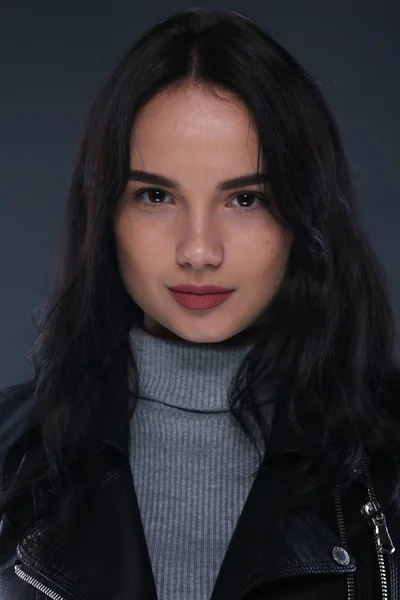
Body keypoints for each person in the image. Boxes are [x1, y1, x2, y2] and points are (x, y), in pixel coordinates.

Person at [0, 7, 399, 600]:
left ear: (305, 214)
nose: (199, 250)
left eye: (246, 199)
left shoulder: (388, 460)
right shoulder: (10, 457)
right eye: (156, 195)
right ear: (104, 213)